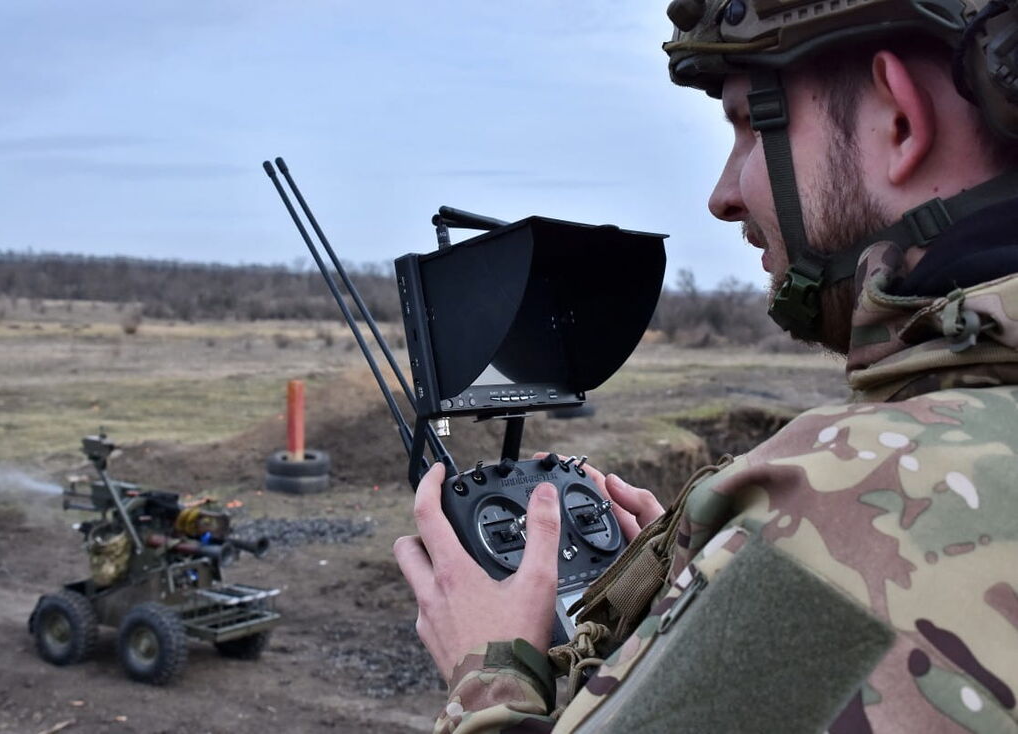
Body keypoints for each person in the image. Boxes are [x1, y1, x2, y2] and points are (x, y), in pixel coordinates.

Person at [394, 1, 1018, 731]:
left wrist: (486, 678)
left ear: (899, 120)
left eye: (750, 127)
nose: (724, 194)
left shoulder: (851, 502)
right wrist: (694, 586)